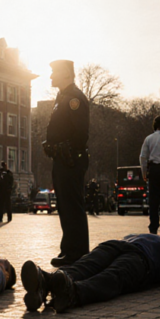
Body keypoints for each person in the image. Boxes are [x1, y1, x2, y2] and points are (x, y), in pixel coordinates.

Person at [20, 233, 160, 313]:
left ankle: (68, 290)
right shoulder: (158, 244)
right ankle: (47, 282)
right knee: (89, 266)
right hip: (121, 248)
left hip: (139, 260)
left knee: (109, 275)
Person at [43, 60, 90, 267]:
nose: (51, 77)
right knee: (64, 206)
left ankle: (78, 253)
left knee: (72, 206)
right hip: (62, 159)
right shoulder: (62, 96)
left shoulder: (74, 98)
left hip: (71, 160)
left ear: (66, 74)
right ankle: (68, 249)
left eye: (54, 73)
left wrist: (63, 147)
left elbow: (81, 134)